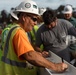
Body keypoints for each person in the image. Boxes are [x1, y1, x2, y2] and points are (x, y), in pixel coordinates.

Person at [0, 0, 68, 75]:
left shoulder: (13, 29)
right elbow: (29, 55)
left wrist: (38, 54)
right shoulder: (19, 32)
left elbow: (24, 53)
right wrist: (55, 66)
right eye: (34, 19)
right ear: (24, 17)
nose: (35, 23)